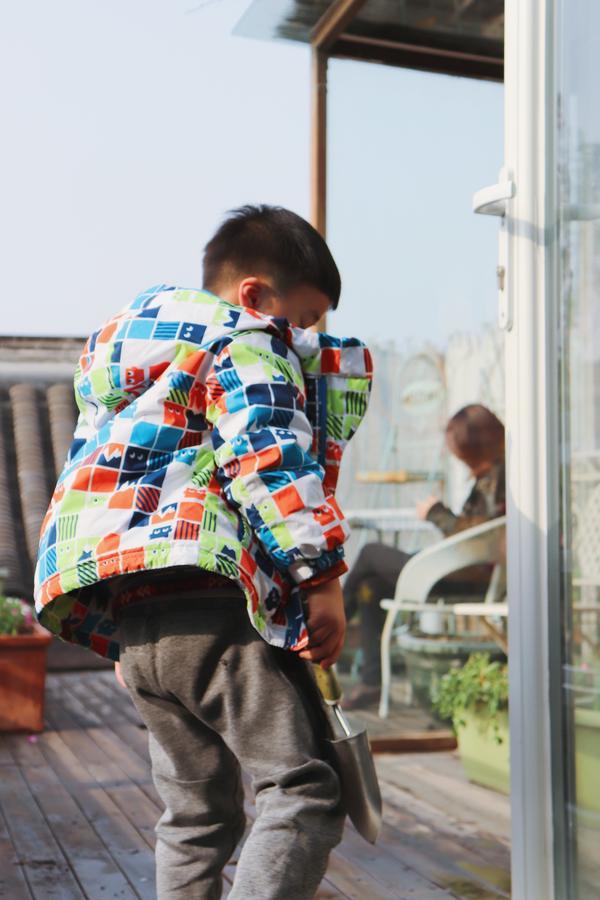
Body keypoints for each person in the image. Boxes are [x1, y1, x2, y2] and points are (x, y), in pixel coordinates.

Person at [33, 205, 373, 899]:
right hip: (215, 608)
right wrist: (321, 575)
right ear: (254, 295)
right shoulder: (245, 343)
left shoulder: (131, 371)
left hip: (136, 620)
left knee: (195, 814)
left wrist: (128, 642)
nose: (302, 338)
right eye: (302, 320)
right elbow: (268, 460)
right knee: (304, 788)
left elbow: (91, 496)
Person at [342, 403, 505, 709]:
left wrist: (436, 513)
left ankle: (330, 630)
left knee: (368, 554)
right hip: (461, 571)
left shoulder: (500, 478)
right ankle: (370, 682)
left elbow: (483, 537)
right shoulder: (494, 475)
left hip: (468, 576)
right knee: (371, 587)